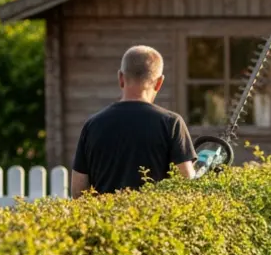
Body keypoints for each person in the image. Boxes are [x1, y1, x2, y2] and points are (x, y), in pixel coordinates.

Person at [70, 45, 196, 197]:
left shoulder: (92, 125)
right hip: (156, 219)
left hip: (104, 219)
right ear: (159, 82)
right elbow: (187, 184)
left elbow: (78, 192)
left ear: (121, 78)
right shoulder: (171, 123)